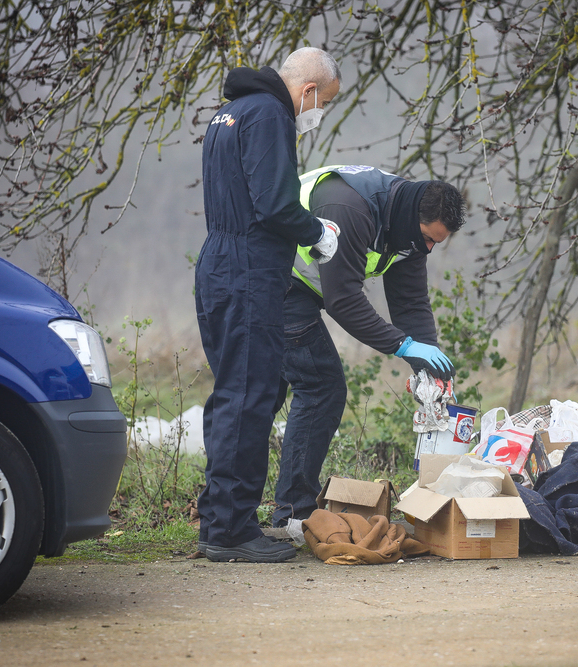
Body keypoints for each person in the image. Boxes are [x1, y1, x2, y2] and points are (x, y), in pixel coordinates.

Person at [195, 48, 342, 563]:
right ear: (308, 92)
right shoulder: (271, 115)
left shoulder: (227, 112)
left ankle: (218, 518)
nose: (317, 113)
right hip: (251, 272)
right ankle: (231, 532)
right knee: (250, 397)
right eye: (324, 102)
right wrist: (315, 232)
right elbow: (275, 203)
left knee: (232, 394)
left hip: (218, 262)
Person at [270, 164, 465, 527]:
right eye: (427, 237)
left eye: (437, 242)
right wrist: (403, 346)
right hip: (274, 277)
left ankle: (249, 515)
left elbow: (410, 303)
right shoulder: (351, 209)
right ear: (413, 218)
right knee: (320, 387)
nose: (428, 248)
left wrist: (428, 365)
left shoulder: (408, 229)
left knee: (273, 391)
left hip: (304, 287)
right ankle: (292, 516)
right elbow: (343, 299)